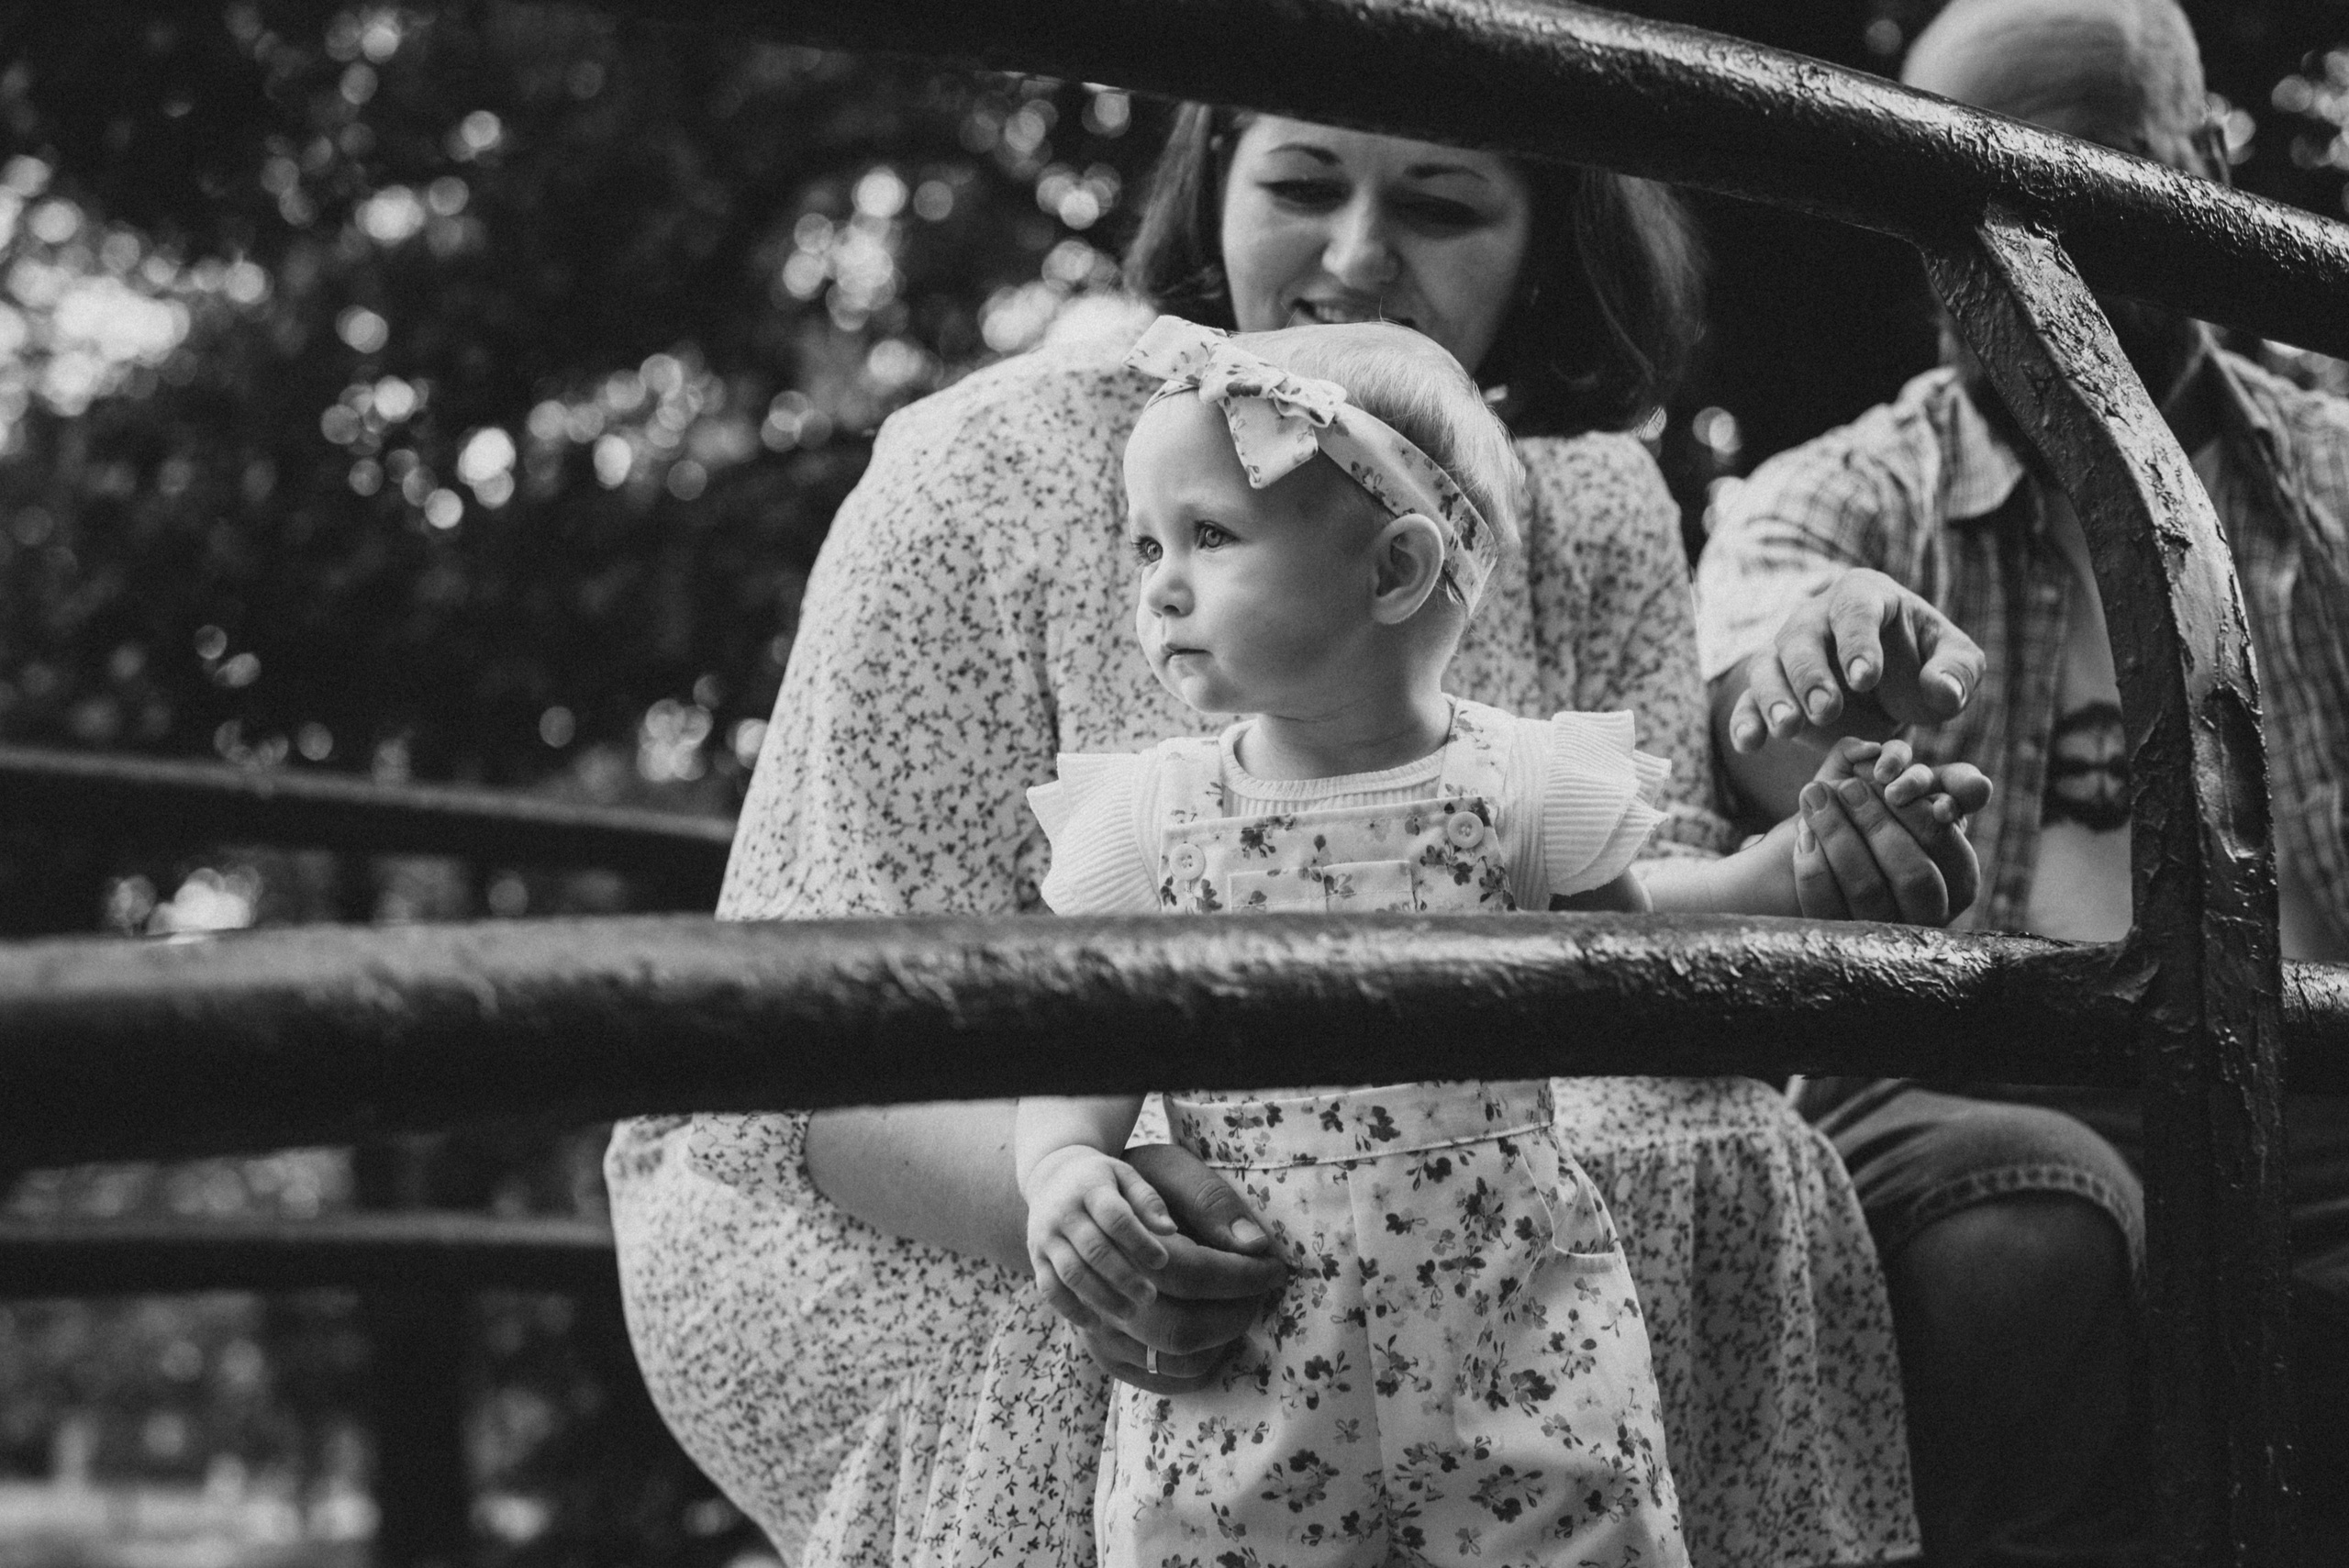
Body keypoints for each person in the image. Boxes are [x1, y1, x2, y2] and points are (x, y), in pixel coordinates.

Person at [607, 105, 1965, 1567]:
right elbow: (815, 1045)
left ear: (1544, 240)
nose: (1360, 252)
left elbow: (1639, 972)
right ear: (1212, 188)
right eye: (1304, 181)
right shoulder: (984, 473)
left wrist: (1804, 863)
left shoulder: (1580, 503)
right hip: (939, 1164)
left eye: (1443, 204)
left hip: (1459, 1205)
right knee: (1160, 1332)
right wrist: (1085, 1188)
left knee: (1726, 1163)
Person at [1016, 317, 1985, 1566]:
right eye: (1147, 542)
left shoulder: (1515, 786)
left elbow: (1642, 953)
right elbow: (1081, 1051)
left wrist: (1801, 865)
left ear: (1395, 570)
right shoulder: (1149, 818)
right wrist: (1060, 1174)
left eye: (1210, 535)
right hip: (1252, 1371)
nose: (1158, 582)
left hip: (1514, 1338)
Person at [1694, 0, 2349, 1560]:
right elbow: (1753, 671)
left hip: (2315, 1058)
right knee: (2013, 1243)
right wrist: (1812, 658)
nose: (2013, 232)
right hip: (1971, 1064)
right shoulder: (1857, 485)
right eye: (1950, 190)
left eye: (2084, 169)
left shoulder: (2328, 473)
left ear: (2203, 161)